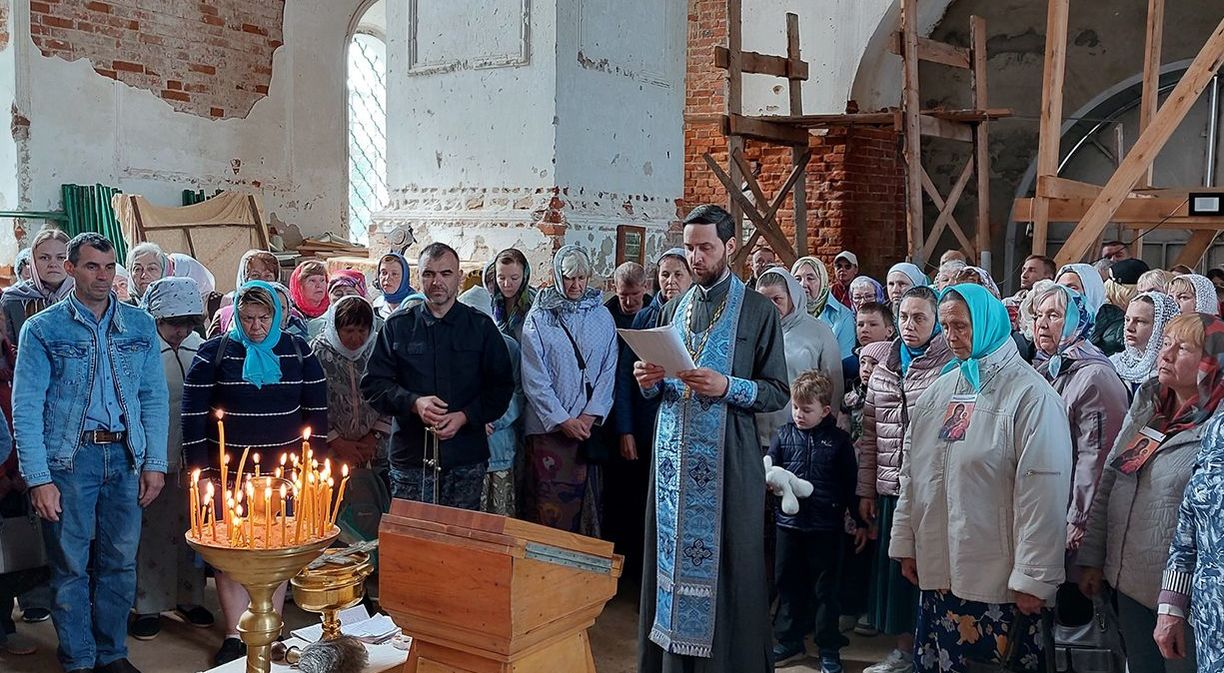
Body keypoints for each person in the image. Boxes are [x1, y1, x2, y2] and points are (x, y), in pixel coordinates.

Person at [635, 204, 788, 672]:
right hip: (671, 466)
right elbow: (664, 385)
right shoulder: (673, 307)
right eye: (689, 247)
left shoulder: (758, 311)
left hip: (729, 461)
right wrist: (648, 381)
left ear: (730, 246)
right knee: (667, 563)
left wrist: (728, 386)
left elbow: (777, 391)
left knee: (731, 565)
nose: (695, 257)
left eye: (705, 247)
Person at [891, 284, 1072, 672]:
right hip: (941, 574)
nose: (952, 336)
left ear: (987, 322)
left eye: (961, 326)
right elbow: (913, 475)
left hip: (1000, 584)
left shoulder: (1031, 396)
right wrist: (907, 542)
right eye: (945, 326)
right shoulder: (939, 392)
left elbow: (1044, 493)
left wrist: (1033, 578)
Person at [14, 233, 169, 673]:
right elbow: (27, 407)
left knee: (120, 563)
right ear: (71, 269)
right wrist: (38, 478)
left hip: (125, 456)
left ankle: (112, 654)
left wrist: (155, 463)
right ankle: (79, 659)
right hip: (69, 460)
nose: (102, 276)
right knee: (70, 566)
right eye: (91, 266)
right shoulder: (42, 329)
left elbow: (153, 397)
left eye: (108, 267)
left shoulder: (139, 325)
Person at [181, 280, 328, 665]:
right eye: (247, 318)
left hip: (284, 474)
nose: (256, 327)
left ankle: (269, 630)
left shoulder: (298, 352)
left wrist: (314, 466)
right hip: (227, 474)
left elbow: (317, 414)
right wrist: (200, 469)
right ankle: (235, 633)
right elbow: (192, 415)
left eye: (264, 318)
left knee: (276, 552)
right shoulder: (215, 353)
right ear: (236, 317)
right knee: (231, 553)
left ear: (277, 316)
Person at [1081, 313, 1223, 672]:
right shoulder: (1150, 404)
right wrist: (1093, 558)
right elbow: (1111, 479)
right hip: (1128, 583)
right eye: (1165, 343)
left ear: (1212, 361)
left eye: (1183, 348)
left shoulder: (1217, 427)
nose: (1166, 354)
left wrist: (1176, 600)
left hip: (1187, 600)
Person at [360, 243, 513, 511]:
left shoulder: (481, 327)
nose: (437, 282)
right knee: (411, 534)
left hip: (465, 458)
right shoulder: (398, 326)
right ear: (419, 277)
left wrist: (465, 416)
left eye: (445, 273)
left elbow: (501, 387)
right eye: (429, 274)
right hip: (412, 459)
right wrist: (413, 402)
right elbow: (373, 385)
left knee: (459, 535)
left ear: (459, 277)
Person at [858, 286, 953, 673]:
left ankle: (934, 652)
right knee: (898, 578)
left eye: (920, 318)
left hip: (930, 491)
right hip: (889, 488)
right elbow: (870, 434)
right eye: (904, 317)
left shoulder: (948, 366)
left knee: (928, 573)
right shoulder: (884, 366)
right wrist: (866, 489)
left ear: (936, 322)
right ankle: (904, 651)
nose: (910, 325)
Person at [129, 277, 213, 641]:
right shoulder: (140, 349)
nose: (180, 331)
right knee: (151, 532)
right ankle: (148, 604)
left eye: (187, 322)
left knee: (191, 528)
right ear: (156, 318)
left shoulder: (201, 349)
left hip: (192, 458)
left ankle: (189, 597)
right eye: (172, 322)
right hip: (153, 457)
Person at [768, 370, 862, 671]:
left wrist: (860, 521)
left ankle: (828, 647)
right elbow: (770, 472)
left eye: (806, 409)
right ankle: (789, 640)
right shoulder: (782, 436)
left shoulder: (839, 441)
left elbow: (850, 485)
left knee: (826, 590)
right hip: (788, 526)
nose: (799, 414)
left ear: (825, 410)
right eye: (796, 407)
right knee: (787, 584)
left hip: (826, 527)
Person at [520, 245, 617, 533]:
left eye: (581, 278)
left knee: (588, 509)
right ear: (557, 277)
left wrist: (589, 415)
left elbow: (608, 370)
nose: (575, 285)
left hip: (588, 429)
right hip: (549, 430)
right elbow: (534, 375)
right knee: (549, 510)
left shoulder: (602, 316)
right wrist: (562, 419)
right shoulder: (540, 317)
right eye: (568, 278)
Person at [612, 248, 693, 583]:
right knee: (643, 504)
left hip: (687, 429)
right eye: (665, 274)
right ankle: (642, 580)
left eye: (678, 274)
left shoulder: (699, 317)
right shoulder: (646, 317)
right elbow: (625, 377)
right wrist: (626, 429)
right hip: (648, 426)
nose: (671, 281)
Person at [1031, 284, 1128, 559]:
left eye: (1054, 315)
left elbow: (1095, 456)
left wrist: (1079, 518)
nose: (1042, 324)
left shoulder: (1095, 376)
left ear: (1077, 321)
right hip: (1047, 506)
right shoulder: (1049, 366)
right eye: (1038, 315)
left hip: (1072, 516)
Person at [754, 267, 844, 448]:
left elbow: (833, 383)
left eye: (777, 299)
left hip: (803, 436)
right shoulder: (751, 331)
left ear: (793, 297)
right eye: (764, 300)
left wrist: (827, 429)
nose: (770, 306)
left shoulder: (819, 331)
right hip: (756, 435)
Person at [457, 286, 524, 516]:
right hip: (462, 447)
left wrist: (490, 418)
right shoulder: (451, 346)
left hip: (498, 446)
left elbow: (517, 393)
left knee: (498, 519)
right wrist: (470, 419)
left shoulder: (509, 347)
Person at [310, 295, 388, 472]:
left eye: (362, 331)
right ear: (335, 329)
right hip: (330, 450)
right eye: (349, 331)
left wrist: (374, 436)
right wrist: (337, 442)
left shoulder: (379, 349)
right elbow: (311, 402)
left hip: (374, 448)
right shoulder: (317, 353)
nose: (356, 338)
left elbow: (389, 392)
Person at [2, 227, 73, 347]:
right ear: (33, 262)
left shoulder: (85, 298)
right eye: (44, 258)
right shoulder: (13, 299)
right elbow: (6, 349)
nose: (53, 264)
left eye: (61, 257)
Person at [1111, 292, 1180, 395]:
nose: (1129, 328)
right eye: (1127, 319)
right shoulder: (1115, 364)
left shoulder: (1173, 372)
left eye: (1140, 321)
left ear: (1161, 326)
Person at [792, 256, 856, 358]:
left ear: (823, 282)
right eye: (797, 279)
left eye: (810, 278)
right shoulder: (786, 313)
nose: (803, 284)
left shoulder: (843, 316)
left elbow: (844, 360)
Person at [1058, 262, 1126, 355]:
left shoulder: (1116, 327)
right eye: (1060, 288)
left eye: (1073, 288)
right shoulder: (1050, 321)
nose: (1065, 293)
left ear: (1091, 290)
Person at [484, 248, 536, 343]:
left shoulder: (535, 305)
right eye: (501, 278)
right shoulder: (486, 301)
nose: (507, 284)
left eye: (514, 278)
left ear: (525, 276)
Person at [372, 252, 414, 320]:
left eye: (394, 274)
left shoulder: (415, 306)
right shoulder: (376, 305)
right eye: (384, 273)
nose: (387, 278)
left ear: (404, 277)